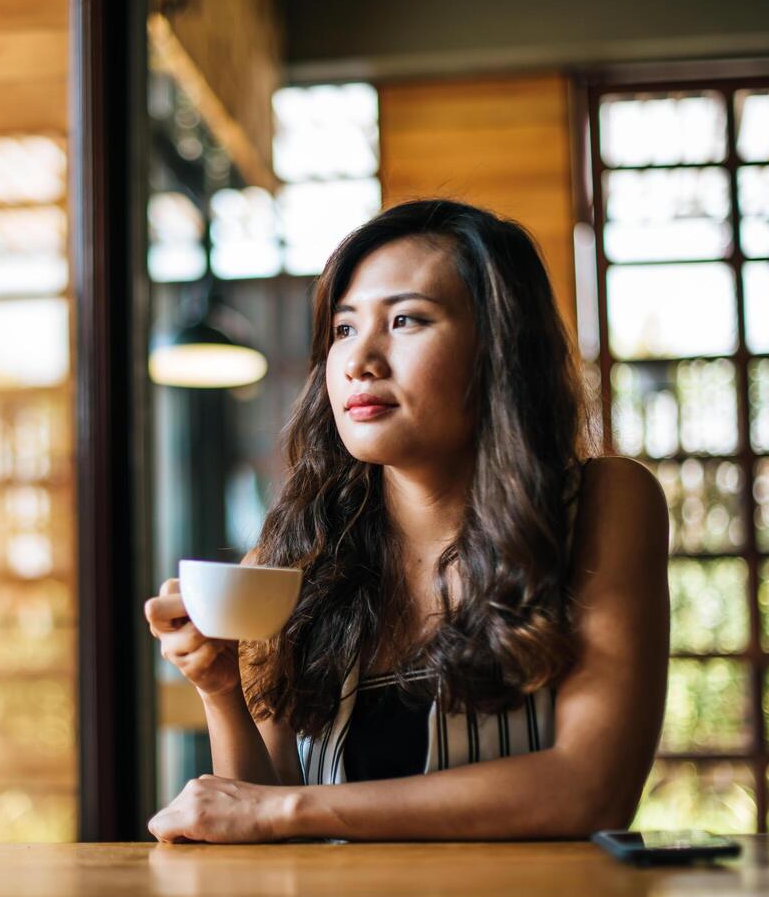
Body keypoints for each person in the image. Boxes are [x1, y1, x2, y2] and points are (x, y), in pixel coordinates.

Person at [143, 199, 670, 843]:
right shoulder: (296, 550)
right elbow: (263, 811)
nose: (360, 359)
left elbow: (591, 789)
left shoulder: (603, 504)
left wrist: (286, 812)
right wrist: (222, 690)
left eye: (405, 320)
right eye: (342, 329)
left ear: (497, 351)